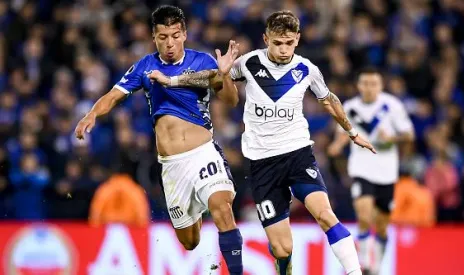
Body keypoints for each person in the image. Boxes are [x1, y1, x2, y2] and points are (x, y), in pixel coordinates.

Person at [150, 10, 375, 275]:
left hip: (297, 155)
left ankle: (354, 272)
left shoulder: (306, 69)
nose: (283, 50)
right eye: (277, 43)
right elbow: (211, 77)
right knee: (281, 248)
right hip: (262, 165)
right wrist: (172, 80)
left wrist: (351, 132)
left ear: (298, 40)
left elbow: (330, 100)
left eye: (289, 43)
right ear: (266, 38)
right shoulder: (249, 63)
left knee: (325, 214)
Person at [74, 5, 244, 275]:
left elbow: (232, 101)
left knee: (222, 207)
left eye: (175, 35)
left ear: (185, 34)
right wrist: (91, 114)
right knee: (190, 242)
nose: (170, 43)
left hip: (202, 153)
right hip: (172, 165)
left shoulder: (204, 62)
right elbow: (113, 96)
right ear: (154, 38)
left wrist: (224, 75)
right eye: (163, 37)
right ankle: (197, 205)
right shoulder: (145, 66)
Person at [328, 67, 415, 275]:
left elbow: (409, 135)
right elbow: (342, 132)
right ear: (359, 86)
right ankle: (365, 263)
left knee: (382, 226)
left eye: (373, 84)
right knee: (364, 216)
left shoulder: (391, 106)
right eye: (365, 84)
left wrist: (391, 138)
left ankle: (377, 267)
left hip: (386, 172)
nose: (369, 88)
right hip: (361, 169)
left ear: (380, 86)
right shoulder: (349, 107)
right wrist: (337, 145)